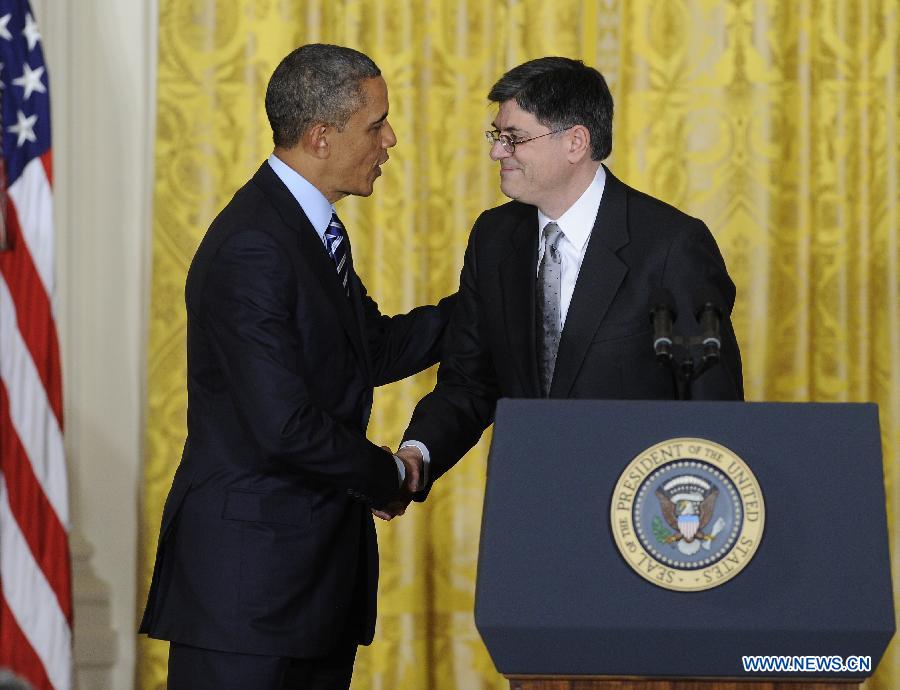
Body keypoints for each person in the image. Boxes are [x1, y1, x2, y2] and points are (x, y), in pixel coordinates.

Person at [139, 44, 454, 690]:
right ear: (320, 137)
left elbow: (376, 347)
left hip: (306, 594)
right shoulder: (256, 244)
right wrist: (389, 473)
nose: (390, 139)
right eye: (376, 124)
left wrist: (489, 305)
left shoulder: (304, 230)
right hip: (248, 600)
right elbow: (283, 425)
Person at [388, 56, 743, 508]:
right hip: (529, 510)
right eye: (497, 137)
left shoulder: (671, 245)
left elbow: (714, 407)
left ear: (575, 141)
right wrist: (416, 456)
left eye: (513, 138)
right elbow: (469, 381)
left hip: (644, 516)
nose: (497, 152)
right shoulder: (495, 239)